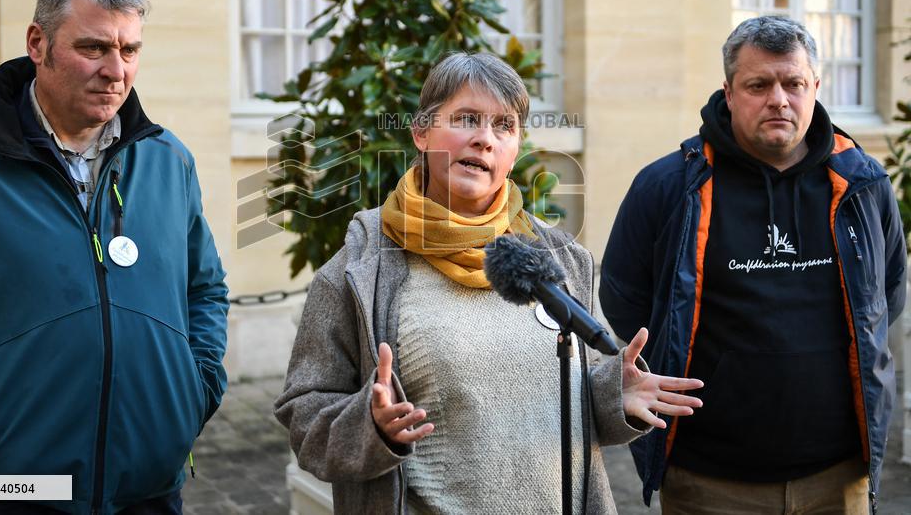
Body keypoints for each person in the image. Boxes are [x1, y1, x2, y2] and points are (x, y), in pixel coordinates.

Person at [274, 52, 703, 514]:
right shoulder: (359, 269)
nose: (484, 139)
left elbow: (573, 400)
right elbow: (305, 418)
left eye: (504, 125)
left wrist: (611, 393)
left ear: (516, 148)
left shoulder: (559, 256)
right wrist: (371, 427)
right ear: (421, 132)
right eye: (466, 119)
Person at [0, 0, 230, 514]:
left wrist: (193, 391)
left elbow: (205, 291)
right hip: (1, 488)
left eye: (129, 51)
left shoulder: (168, 159)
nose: (116, 71)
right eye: (94, 48)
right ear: (38, 43)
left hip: (149, 485)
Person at [599, 15, 906, 513]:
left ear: (816, 88)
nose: (779, 99)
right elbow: (624, 297)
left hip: (838, 476)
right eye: (758, 85)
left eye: (794, 83)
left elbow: (886, 295)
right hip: (709, 480)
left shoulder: (863, 185)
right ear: (728, 90)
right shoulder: (669, 186)